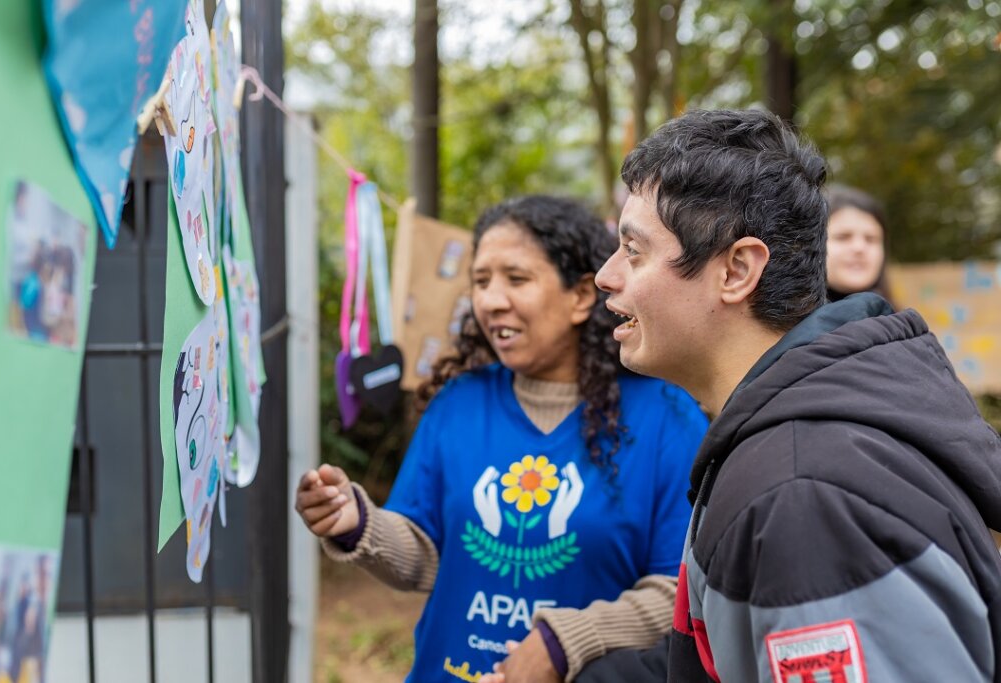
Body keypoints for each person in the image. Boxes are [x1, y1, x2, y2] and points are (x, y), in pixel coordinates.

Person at [591, 109, 1001, 682]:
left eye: (633, 251)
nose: (606, 276)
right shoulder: (798, 442)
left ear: (737, 270)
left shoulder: (803, 495)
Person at [296, 195, 708, 682]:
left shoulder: (666, 417)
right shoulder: (458, 403)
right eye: (481, 280)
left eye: (516, 279)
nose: (492, 300)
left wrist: (563, 644)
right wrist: (357, 522)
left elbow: (678, 592)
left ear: (579, 296)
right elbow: (426, 558)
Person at [825, 184, 893, 304]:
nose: (859, 247)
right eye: (842, 237)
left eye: (871, 239)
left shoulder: (903, 321)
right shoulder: (793, 322)